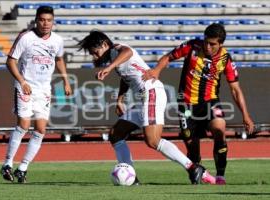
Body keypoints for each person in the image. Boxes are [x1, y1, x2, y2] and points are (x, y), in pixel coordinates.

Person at [78, 30, 215, 185]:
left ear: (104, 44)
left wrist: (109, 68)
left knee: (152, 140)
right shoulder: (114, 58)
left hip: (151, 93)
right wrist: (120, 99)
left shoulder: (117, 49)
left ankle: (192, 167)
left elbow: (128, 52)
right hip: (144, 97)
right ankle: (131, 178)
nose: (95, 57)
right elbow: (126, 77)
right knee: (116, 134)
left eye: (95, 53)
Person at [143, 23, 254, 185]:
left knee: (219, 130)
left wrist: (246, 115)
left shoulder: (225, 59)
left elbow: (235, 89)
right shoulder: (192, 46)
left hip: (210, 102)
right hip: (186, 106)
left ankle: (221, 176)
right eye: (206, 42)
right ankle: (200, 177)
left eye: (212, 44)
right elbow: (169, 57)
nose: (207, 47)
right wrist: (157, 70)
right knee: (192, 148)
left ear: (221, 44)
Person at [0, 5, 72, 183]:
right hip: (25, 87)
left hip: (44, 90)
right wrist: (22, 81)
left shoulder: (57, 40)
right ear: (36, 20)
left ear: (53, 22)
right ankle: (7, 163)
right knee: (24, 125)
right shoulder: (26, 38)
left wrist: (65, 80)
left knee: (41, 129)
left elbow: (59, 58)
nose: (45, 23)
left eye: (49, 20)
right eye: (42, 20)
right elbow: (10, 61)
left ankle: (23, 168)